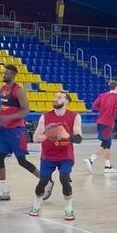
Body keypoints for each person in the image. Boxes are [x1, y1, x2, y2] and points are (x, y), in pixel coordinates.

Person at [0, 65, 53, 202]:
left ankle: (46, 181)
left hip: (16, 131)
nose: (4, 75)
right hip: (4, 131)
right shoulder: (3, 90)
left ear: (13, 75)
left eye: (6, 73)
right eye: (4, 72)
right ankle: (4, 191)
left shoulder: (19, 91)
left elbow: (25, 111)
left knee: (22, 161)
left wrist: (10, 118)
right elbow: (3, 110)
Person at [29, 91, 83, 221]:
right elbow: (35, 138)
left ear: (67, 101)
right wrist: (50, 134)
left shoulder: (74, 117)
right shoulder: (45, 117)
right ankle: (36, 203)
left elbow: (79, 138)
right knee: (43, 181)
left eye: (59, 97)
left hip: (65, 156)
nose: (55, 99)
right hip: (48, 156)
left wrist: (66, 136)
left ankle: (68, 208)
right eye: (55, 97)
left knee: (64, 178)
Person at [85, 80, 117, 174]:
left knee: (106, 144)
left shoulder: (102, 96)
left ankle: (107, 166)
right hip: (108, 123)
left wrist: (103, 110)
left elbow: (94, 107)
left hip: (100, 122)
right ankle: (91, 159)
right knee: (106, 144)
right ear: (116, 87)